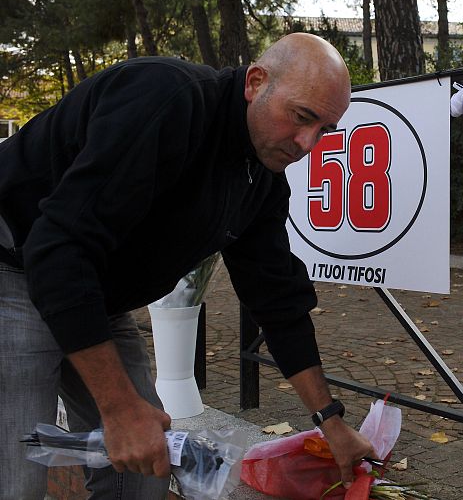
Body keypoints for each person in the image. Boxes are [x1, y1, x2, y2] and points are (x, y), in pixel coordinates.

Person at [0, 33, 375, 499]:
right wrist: (119, 409)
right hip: (13, 267)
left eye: (324, 130)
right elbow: (58, 248)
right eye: (301, 117)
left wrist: (331, 421)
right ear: (256, 82)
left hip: (94, 291)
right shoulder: (163, 101)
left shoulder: (262, 176)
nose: (307, 144)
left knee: (144, 469)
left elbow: (277, 298)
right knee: (14, 478)